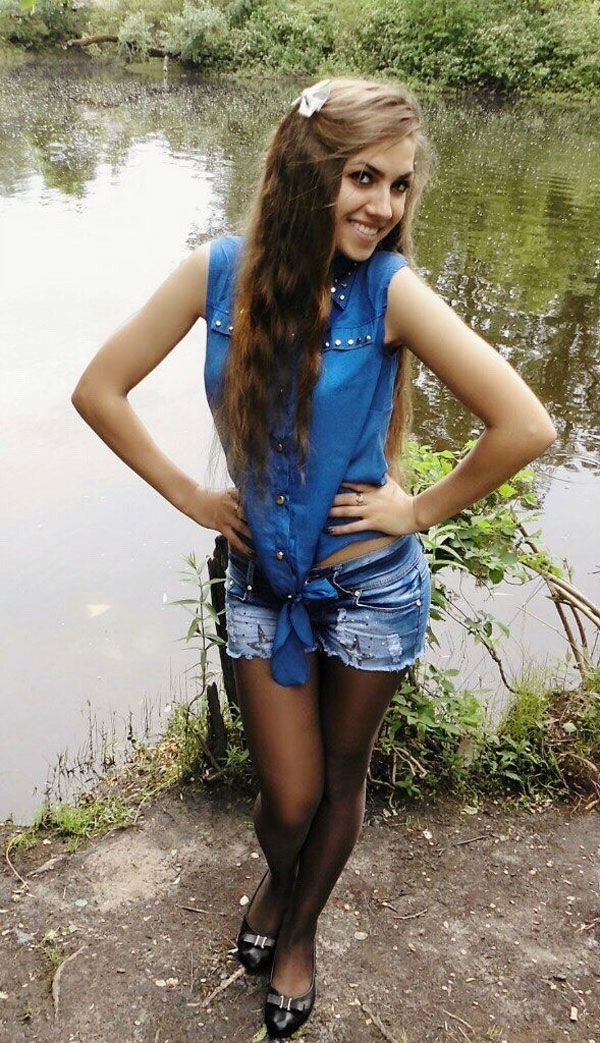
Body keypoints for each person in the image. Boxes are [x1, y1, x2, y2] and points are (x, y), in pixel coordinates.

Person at [72, 77, 556, 1038]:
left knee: (341, 775)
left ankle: (298, 929)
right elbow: (100, 389)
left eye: (400, 184)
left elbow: (526, 424)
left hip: (373, 592)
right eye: (363, 177)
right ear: (305, 175)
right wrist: (193, 496)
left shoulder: (392, 291)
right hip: (263, 584)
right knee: (288, 799)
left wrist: (416, 509)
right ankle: (279, 871)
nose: (383, 206)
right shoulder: (217, 272)